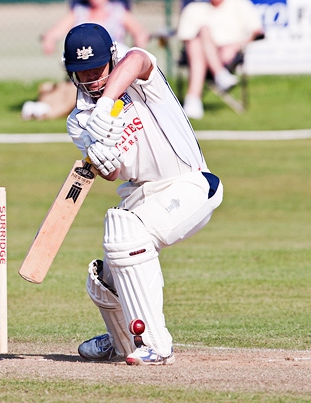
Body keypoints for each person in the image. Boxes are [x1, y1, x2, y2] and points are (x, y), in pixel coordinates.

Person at [62, 23, 223, 365]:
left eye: (97, 68)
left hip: (189, 184)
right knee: (103, 279)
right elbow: (113, 174)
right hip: (139, 196)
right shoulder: (79, 120)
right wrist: (102, 156)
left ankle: (156, 344)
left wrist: (106, 105)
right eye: (82, 72)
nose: (91, 78)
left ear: (111, 59)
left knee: (127, 233)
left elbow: (137, 58)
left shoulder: (136, 77)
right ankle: (122, 343)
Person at [22, 0, 149, 121]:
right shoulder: (79, 12)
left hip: (111, 64)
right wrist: (49, 39)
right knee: (77, 80)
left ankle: (46, 104)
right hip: (84, 63)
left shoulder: (117, 11)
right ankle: (48, 107)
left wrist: (139, 42)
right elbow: (56, 31)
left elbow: (140, 31)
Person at [176, 0, 263, 119]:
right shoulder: (195, 8)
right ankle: (219, 75)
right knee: (200, 36)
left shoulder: (240, 4)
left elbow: (257, 30)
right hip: (198, 56)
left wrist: (236, 45)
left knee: (199, 40)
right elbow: (185, 36)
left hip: (228, 55)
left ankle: (193, 98)